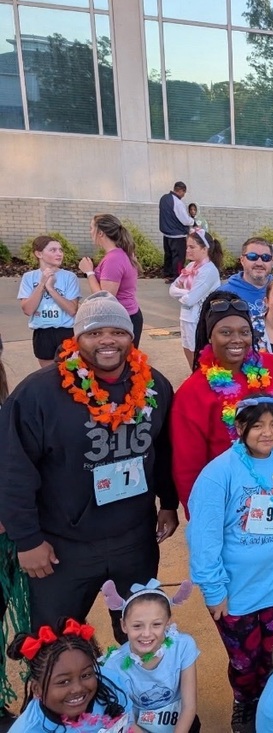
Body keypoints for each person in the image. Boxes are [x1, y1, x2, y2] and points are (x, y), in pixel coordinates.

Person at [0, 292, 177, 635]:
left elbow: (164, 451)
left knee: (142, 642)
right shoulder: (39, 393)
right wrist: (27, 539)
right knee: (54, 647)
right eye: (95, 333)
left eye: (118, 331)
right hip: (62, 547)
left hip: (134, 541)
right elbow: (12, 469)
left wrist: (168, 504)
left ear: (131, 336)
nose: (108, 340)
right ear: (76, 338)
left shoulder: (154, 385)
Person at [186, 396, 273, 731]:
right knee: (244, 661)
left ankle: (270, 706)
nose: (268, 433)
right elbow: (204, 537)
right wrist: (213, 590)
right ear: (239, 428)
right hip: (236, 593)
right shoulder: (218, 473)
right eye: (258, 425)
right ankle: (244, 702)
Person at [170, 291, 273, 511]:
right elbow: (188, 466)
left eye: (244, 332)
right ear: (209, 336)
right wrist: (200, 516)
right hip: (228, 502)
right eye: (225, 332)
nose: (237, 340)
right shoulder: (192, 392)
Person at [100, 579, 199, 733]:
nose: (146, 633)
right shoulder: (113, 665)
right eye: (137, 625)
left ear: (167, 623)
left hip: (180, 722)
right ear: (124, 625)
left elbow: (189, 705)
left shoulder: (183, 645)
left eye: (156, 624)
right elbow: (125, 717)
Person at [7, 618, 131, 732]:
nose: (78, 688)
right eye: (63, 681)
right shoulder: (28, 730)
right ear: (37, 688)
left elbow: (131, 720)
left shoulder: (110, 685)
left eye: (86, 675)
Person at [79, 214, 144, 346]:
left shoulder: (113, 259)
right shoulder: (120, 254)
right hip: (125, 316)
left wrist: (89, 272)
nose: (90, 232)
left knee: (122, 364)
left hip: (121, 318)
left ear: (101, 233)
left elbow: (105, 299)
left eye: (91, 228)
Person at [18, 235, 80, 367]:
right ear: (39, 253)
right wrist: (42, 284)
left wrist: (51, 289)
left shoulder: (69, 277)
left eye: (60, 250)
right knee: (47, 376)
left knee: (70, 375)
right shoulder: (29, 277)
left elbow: (72, 309)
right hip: (43, 332)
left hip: (65, 331)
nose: (59, 254)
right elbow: (28, 310)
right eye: (53, 250)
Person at [169, 228, 223, 369]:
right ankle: (193, 376)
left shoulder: (209, 271)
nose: (187, 250)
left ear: (205, 248)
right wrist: (186, 292)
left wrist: (183, 293)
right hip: (186, 316)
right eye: (187, 246)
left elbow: (191, 300)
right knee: (187, 347)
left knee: (198, 352)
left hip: (199, 319)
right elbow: (171, 289)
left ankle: (200, 378)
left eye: (192, 247)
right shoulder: (191, 265)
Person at [218, 237, 273, 318]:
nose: (259, 263)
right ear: (242, 260)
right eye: (252, 256)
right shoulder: (223, 294)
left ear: (272, 262)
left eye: (266, 257)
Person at [159, 181, 194, 278]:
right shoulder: (178, 203)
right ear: (181, 190)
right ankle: (177, 276)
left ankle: (168, 273)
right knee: (178, 257)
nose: (183, 195)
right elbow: (185, 220)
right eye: (184, 193)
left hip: (166, 234)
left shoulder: (164, 199)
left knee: (168, 255)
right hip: (177, 235)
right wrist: (193, 222)